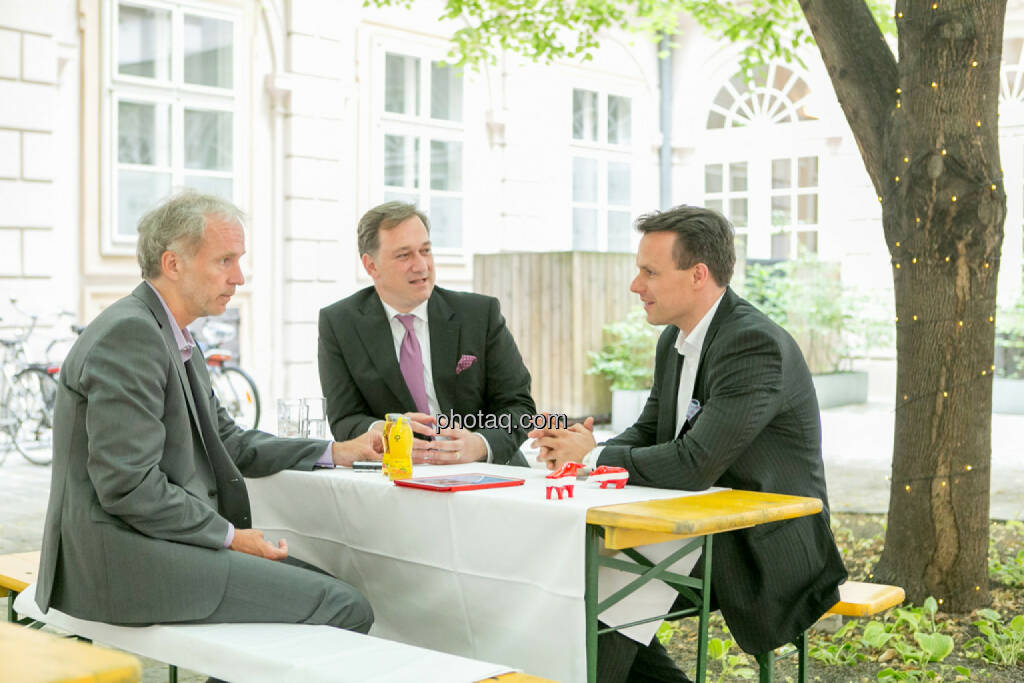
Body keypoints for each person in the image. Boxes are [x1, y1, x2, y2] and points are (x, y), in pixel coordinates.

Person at [35, 191, 378, 638]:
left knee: (332, 590)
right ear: (173, 263)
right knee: (344, 606)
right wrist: (231, 537)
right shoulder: (131, 336)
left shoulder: (171, 334)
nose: (238, 277)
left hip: (144, 544)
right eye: (224, 261)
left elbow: (230, 441)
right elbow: (129, 486)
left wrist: (337, 451)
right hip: (118, 563)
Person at [530, 205, 847, 683]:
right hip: (692, 531)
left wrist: (592, 457)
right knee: (575, 579)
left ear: (698, 275)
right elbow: (649, 432)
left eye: (649, 272)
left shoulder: (753, 345)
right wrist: (584, 446)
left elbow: (693, 463)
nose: (636, 285)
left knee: (608, 584)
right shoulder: (677, 340)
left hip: (762, 544)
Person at [318, 201, 536, 466]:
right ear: (371, 266)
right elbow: (345, 418)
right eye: (404, 255)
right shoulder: (340, 324)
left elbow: (519, 407)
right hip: (397, 476)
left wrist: (479, 445)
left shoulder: (479, 314)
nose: (421, 266)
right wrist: (388, 433)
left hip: (486, 472)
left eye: (425, 251)